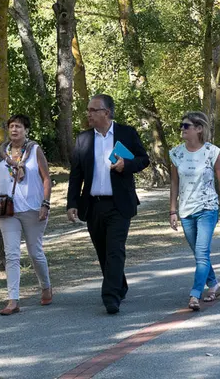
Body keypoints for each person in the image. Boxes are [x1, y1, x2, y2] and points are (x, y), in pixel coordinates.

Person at [66, 94, 150, 314]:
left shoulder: (126, 133)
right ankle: (119, 285)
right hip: (93, 205)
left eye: (93, 110)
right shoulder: (83, 139)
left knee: (115, 250)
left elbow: (144, 159)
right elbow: (76, 175)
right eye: (88, 110)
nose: (89, 114)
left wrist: (126, 165)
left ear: (107, 112)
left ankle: (110, 297)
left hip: (119, 204)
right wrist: (72, 203)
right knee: (103, 252)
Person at [169, 112, 220, 311]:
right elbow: (174, 183)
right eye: (182, 126)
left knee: (202, 252)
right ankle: (213, 284)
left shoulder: (212, 152)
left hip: (207, 207)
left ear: (199, 128)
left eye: (186, 126)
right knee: (198, 253)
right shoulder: (176, 153)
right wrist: (172, 210)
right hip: (186, 209)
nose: (182, 129)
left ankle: (195, 294)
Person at [0, 114, 53, 315]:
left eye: (18, 126)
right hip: (8, 211)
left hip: (33, 208)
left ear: (26, 130)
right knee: (11, 254)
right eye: (11, 127)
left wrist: (45, 204)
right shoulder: (0, 154)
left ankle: (45, 286)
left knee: (35, 252)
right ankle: (13, 300)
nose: (14, 130)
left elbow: (46, 179)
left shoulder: (35, 150)